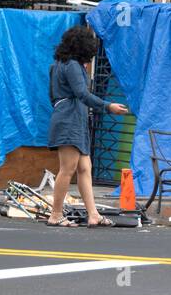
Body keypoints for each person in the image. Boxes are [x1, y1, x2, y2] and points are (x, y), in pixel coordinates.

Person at [46, 25, 129, 227]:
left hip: (70, 117)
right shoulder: (72, 65)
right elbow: (82, 94)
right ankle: (55, 215)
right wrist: (108, 106)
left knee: (85, 167)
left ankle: (93, 215)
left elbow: (52, 96)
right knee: (68, 168)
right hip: (71, 119)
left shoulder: (57, 64)